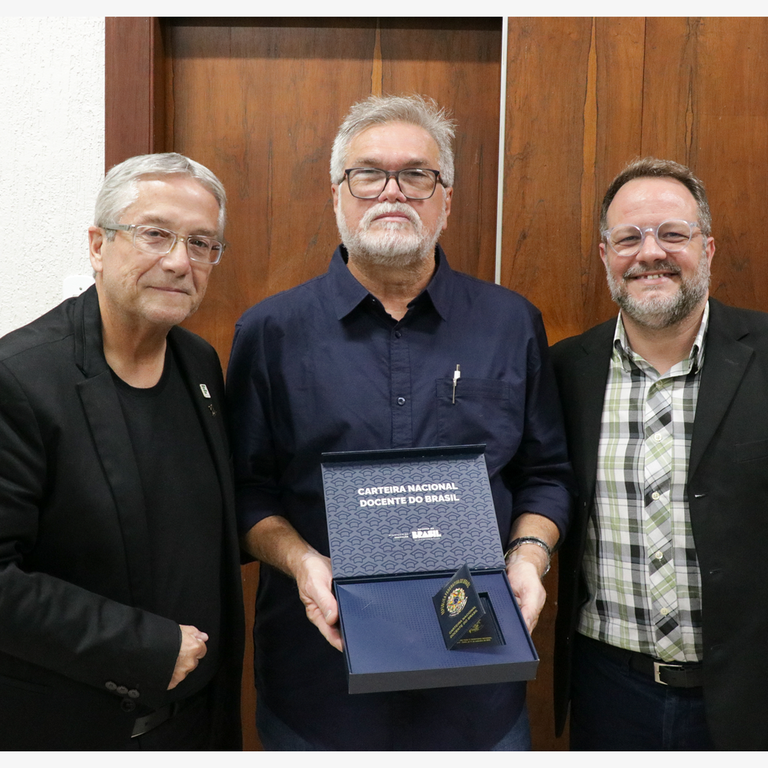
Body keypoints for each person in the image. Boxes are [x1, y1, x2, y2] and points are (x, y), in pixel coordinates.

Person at [227, 94, 572, 750]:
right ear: (338, 194)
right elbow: (246, 492)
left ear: (445, 198)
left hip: (478, 694)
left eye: (417, 174)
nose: (392, 191)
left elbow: (546, 473)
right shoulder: (270, 331)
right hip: (319, 691)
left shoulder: (510, 322)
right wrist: (301, 563)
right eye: (368, 173)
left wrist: (530, 558)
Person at [0, 153, 244, 750]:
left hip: (198, 726)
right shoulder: (21, 380)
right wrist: (147, 648)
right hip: (76, 731)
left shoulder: (199, 364)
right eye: (155, 234)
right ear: (98, 245)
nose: (179, 261)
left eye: (202, 243)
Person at [551, 157, 768, 750]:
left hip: (749, 695)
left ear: (709, 247)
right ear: (605, 255)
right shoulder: (564, 370)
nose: (650, 253)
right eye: (629, 237)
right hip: (606, 694)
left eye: (673, 234)